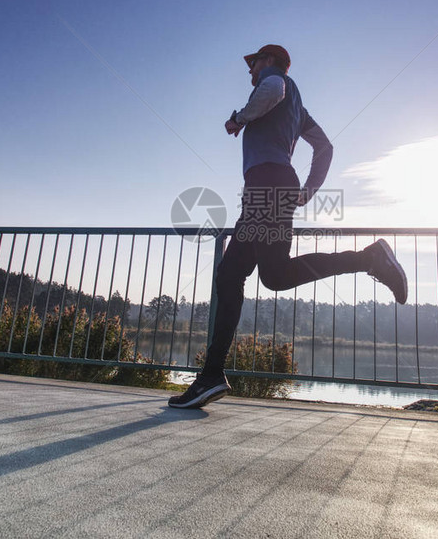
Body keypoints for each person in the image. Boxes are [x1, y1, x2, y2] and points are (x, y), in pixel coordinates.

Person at [168, 44, 408, 409]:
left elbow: (273, 88)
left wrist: (240, 117)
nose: (251, 72)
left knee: (238, 275)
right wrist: (307, 190)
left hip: (267, 184)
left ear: (269, 62)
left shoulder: (276, 83)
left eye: (254, 64)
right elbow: (324, 146)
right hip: (272, 186)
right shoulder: (300, 110)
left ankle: (212, 375)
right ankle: (212, 375)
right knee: (256, 275)